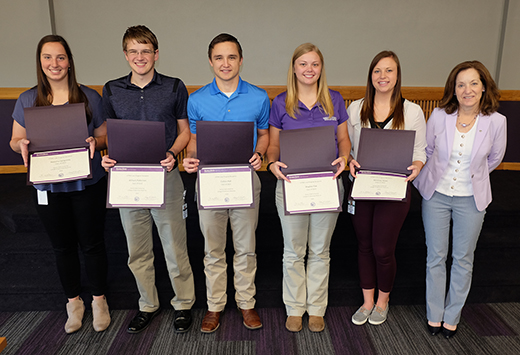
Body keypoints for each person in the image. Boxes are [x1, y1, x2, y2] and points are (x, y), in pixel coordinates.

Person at [9, 35, 110, 334]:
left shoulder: (89, 96)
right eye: (48, 57)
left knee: (93, 244)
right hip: (48, 186)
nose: (55, 64)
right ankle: (74, 302)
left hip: (88, 181)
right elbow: (15, 141)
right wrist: (22, 144)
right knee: (62, 246)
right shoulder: (28, 99)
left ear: (69, 61)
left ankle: (99, 301)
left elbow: (105, 136)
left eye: (60, 57)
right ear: (40, 62)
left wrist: (96, 141)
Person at [101, 25, 195, 334]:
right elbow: (106, 135)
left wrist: (173, 152)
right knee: (137, 250)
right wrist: (104, 154)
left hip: (165, 175)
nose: (139, 57)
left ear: (155, 54)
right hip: (128, 178)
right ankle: (148, 304)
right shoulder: (112, 89)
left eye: (145, 51)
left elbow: (184, 131)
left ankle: (183, 304)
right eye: (133, 51)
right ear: (125, 55)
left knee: (174, 247)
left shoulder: (173, 86)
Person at [183, 33, 270, 333]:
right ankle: (215, 306)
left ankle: (247, 304)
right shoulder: (196, 100)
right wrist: (189, 158)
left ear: (241, 60)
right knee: (213, 250)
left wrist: (260, 153)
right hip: (209, 182)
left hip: (245, 181)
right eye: (219, 57)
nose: (225, 63)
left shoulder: (259, 97)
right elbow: (193, 142)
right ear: (210, 62)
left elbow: (266, 135)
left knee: (246, 248)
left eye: (231, 57)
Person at [413, 61, 507, 339]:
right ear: (453, 90)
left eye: (474, 83)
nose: (467, 90)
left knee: (463, 258)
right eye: (461, 84)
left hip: (471, 199)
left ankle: (452, 315)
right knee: (436, 256)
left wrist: (472, 176)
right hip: (437, 196)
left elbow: (494, 159)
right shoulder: (440, 116)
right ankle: (434, 314)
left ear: (484, 87)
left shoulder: (497, 122)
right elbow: (428, 150)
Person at [266, 43, 350, 333]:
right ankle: (294, 307)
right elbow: (273, 144)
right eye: (303, 64)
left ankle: (316, 308)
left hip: (327, 183)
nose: (309, 69)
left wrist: (345, 157)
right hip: (292, 185)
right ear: (294, 68)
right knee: (293, 251)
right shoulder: (280, 102)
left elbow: (344, 140)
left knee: (320, 251)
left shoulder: (334, 100)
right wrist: (272, 162)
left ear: (321, 68)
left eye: (314, 64)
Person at [347, 50, 426, 326]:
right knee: (364, 246)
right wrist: (349, 160)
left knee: (382, 248)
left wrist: (416, 166)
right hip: (363, 187)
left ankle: (383, 301)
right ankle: (367, 301)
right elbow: (348, 149)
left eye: (389, 70)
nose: (383, 76)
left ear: (397, 75)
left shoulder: (413, 111)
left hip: (395, 189)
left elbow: (420, 152)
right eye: (378, 71)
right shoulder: (355, 109)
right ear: (371, 75)